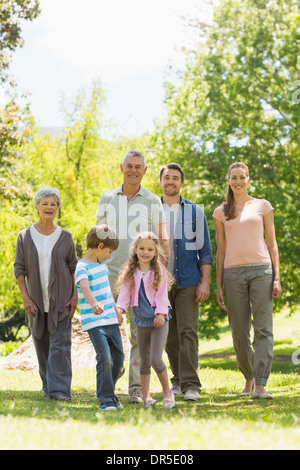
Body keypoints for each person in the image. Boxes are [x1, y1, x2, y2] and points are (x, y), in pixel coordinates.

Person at [96, 149, 169, 403]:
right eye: (129, 165)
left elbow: (161, 240)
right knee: (107, 330)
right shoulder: (107, 198)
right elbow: (97, 242)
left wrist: (162, 274)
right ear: (121, 167)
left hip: (142, 278)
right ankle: (112, 377)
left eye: (138, 166)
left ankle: (137, 388)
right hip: (109, 274)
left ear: (145, 171)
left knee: (141, 335)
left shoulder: (152, 201)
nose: (133, 170)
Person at [213, 162, 282, 399]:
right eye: (234, 177)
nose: (238, 181)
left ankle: (260, 384)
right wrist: (218, 283)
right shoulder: (220, 212)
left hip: (261, 271)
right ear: (229, 180)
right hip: (232, 274)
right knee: (239, 332)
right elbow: (221, 251)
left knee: (263, 328)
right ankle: (249, 377)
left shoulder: (263, 206)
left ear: (248, 179)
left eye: (242, 177)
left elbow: (272, 244)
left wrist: (277, 278)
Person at [14, 186, 78, 401]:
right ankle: (48, 385)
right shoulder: (24, 236)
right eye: (45, 204)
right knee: (41, 346)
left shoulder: (65, 237)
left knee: (60, 346)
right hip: (35, 301)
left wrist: (75, 296)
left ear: (57, 208)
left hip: (61, 301)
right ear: (37, 207)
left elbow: (74, 268)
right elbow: (19, 269)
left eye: (53, 204)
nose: (49, 207)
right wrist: (25, 297)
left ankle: (60, 391)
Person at [160, 163, 213, 401]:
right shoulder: (152, 210)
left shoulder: (194, 212)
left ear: (182, 182)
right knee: (169, 335)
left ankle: (192, 384)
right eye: (166, 177)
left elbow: (205, 251)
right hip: (159, 284)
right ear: (161, 181)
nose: (170, 181)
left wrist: (205, 282)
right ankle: (178, 380)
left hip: (189, 280)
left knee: (188, 331)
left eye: (175, 178)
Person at [116, 232, 175, 409]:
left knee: (156, 358)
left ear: (156, 252)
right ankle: (147, 396)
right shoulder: (130, 273)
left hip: (159, 322)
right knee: (144, 361)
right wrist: (120, 309)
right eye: (142, 248)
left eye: (150, 249)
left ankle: (167, 393)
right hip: (141, 321)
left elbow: (162, 296)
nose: (145, 252)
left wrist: (161, 314)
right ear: (135, 250)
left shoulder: (159, 273)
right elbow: (125, 295)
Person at [74, 225, 124, 411]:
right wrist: (94, 302)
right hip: (95, 322)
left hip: (111, 319)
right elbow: (85, 287)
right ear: (100, 246)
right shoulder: (81, 267)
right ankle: (106, 399)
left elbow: (108, 291)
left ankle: (106, 391)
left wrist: (117, 310)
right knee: (105, 358)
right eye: (109, 252)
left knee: (118, 359)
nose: (110, 256)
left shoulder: (102, 266)